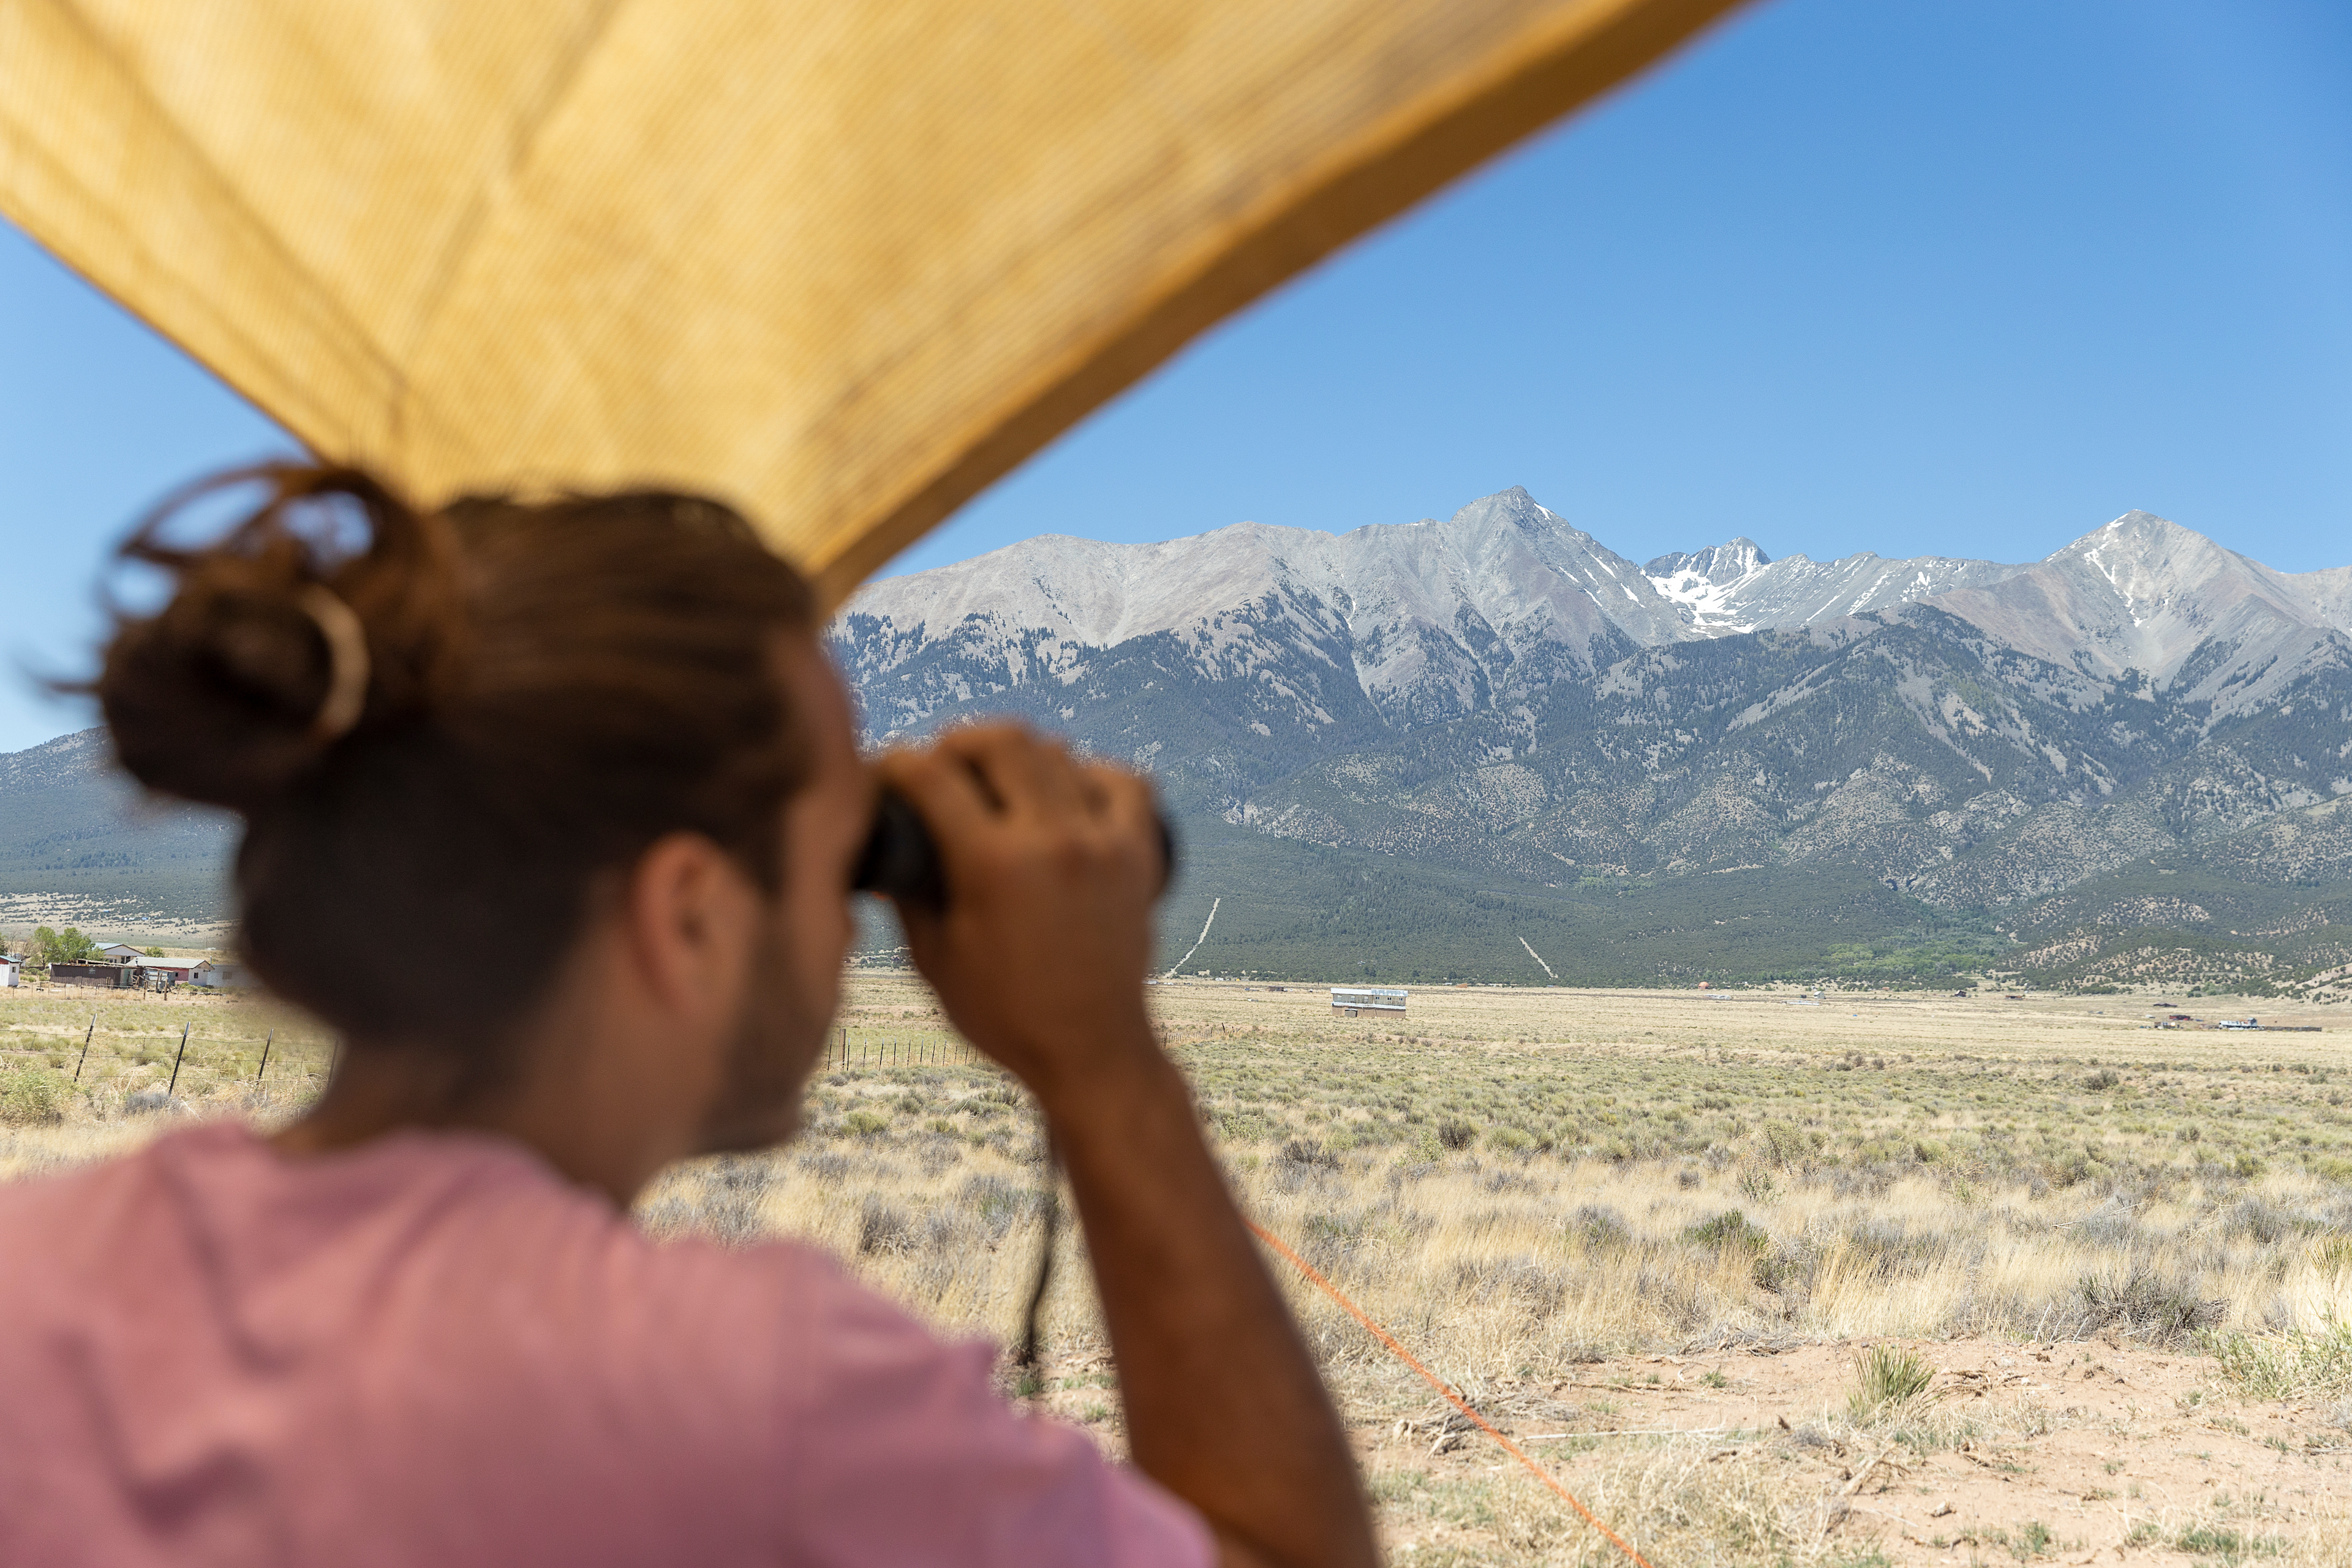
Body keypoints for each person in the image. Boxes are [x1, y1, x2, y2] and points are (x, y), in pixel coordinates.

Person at [0, 467, 1378, 1567]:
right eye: (850, 853)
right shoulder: (760, 1398)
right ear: (693, 915)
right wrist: (1100, 1058)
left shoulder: (30, 1269)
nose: (858, 924)